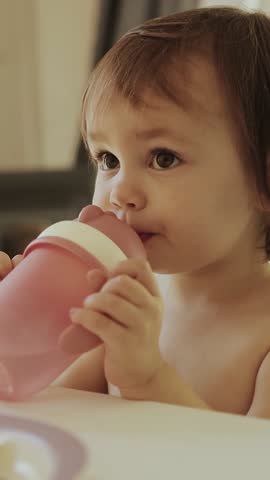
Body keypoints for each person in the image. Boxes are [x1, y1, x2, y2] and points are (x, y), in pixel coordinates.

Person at [1, 6, 270, 418]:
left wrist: (148, 380)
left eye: (163, 158)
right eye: (108, 158)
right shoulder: (119, 299)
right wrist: (27, 324)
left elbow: (250, 461)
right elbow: (58, 413)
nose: (120, 192)